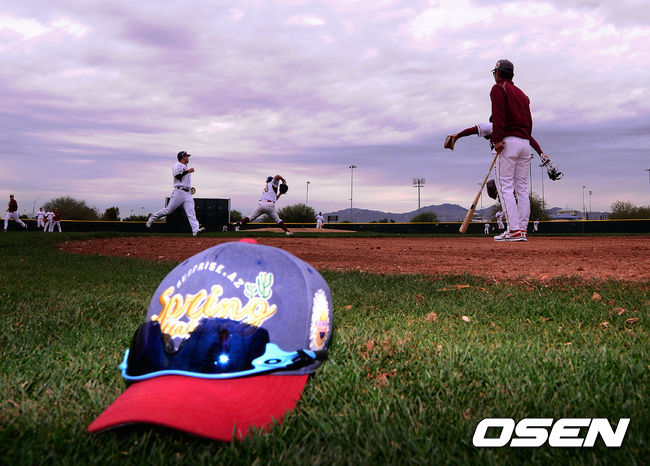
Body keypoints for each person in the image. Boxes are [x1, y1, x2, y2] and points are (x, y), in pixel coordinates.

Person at [146, 151, 205, 236]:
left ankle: (195, 230)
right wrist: (188, 171)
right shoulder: (177, 165)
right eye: (186, 156)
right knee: (168, 211)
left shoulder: (185, 166)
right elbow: (177, 176)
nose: (188, 158)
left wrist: (188, 186)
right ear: (182, 157)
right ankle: (152, 217)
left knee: (191, 212)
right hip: (179, 192)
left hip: (187, 193)